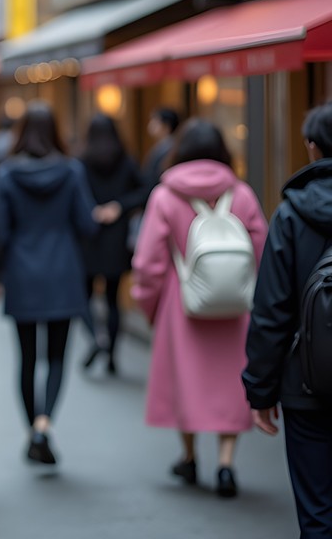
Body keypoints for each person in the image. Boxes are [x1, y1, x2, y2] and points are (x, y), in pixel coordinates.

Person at [131, 118, 266, 498]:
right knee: (229, 379)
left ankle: (189, 457)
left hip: (183, 298)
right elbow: (261, 247)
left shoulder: (164, 195)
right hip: (234, 301)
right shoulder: (240, 193)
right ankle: (226, 463)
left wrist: (149, 302)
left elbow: (149, 261)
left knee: (185, 377)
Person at [0, 101, 97, 466]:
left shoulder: (6, 175)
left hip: (22, 272)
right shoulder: (71, 171)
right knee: (56, 356)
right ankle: (44, 424)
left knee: (26, 357)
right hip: (63, 271)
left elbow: (0, 232)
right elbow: (86, 223)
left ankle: (31, 429)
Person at [243, 101, 332, 535]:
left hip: (306, 382)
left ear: (313, 148)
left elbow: (271, 311)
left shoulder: (292, 214)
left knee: (317, 510)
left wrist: (260, 390)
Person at [78, 113, 146, 375]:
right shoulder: (125, 160)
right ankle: (112, 357)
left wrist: (92, 211)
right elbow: (145, 191)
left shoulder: (82, 162)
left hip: (89, 237)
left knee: (83, 296)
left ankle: (96, 337)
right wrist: (119, 207)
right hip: (116, 240)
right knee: (113, 299)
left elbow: (76, 195)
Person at [143, 107, 180, 188]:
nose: (150, 125)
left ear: (166, 126)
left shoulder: (171, 149)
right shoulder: (160, 146)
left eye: (155, 121)